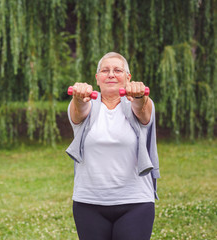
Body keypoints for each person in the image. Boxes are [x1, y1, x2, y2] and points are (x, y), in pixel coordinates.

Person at [66, 52, 160, 240]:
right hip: (88, 202)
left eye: (117, 70)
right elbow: (78, 111)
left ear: (128, 77)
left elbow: (142, 112)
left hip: (136, 202)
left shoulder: (139, 102)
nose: (111, 74)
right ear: (97, 79)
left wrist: (140, 96)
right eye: (105, 70)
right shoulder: (86, 103)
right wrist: (78, 97)